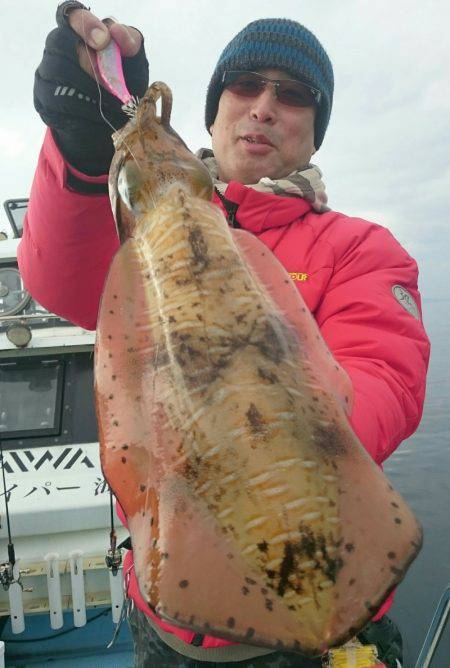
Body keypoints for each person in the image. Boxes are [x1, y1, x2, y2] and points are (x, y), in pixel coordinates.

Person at [19, 2, 430, 666]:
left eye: (292, 97)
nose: (265, 106)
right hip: (173, 624)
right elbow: (62, 282)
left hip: (329, 611)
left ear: (315, 133)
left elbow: (385, 390)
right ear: (212, 112)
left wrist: (241, 381)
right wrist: (81, 150)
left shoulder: (362, 249)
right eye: (247, 86)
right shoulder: (149, 238)